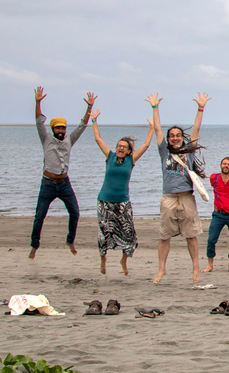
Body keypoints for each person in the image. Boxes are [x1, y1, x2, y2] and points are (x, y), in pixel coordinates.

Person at [150, 92, 210, 284]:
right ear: (168, 139)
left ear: (182, 138)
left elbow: (197, 128)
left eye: (178, 135)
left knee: (191, 236)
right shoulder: (164, 150)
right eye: (172, 136)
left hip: (186, 198)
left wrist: (201, 108)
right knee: (164, 236)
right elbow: (157, 128)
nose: (175, 138)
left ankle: (195, 270)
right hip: (168, 198)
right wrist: (155, 107)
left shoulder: (188, 149)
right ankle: (161, 269)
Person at [31, 86, 94, 259]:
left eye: (63, 128)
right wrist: (37, 102)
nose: (60, 131)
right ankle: (34, 245)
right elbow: (38, 122)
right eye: (57, 128)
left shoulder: (69, 140)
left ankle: (70, 240)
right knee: (39, 216)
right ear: (53, 129)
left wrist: (89, 107)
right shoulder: (46, 139)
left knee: (75, 212)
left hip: (64, 183)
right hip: (48, 184)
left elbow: (82, 126)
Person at [88, 109, 155, 275]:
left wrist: (152, 128)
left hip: (122, 203)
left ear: (128, 151)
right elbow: (98, 139)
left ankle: (124, 261)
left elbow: (146, 145)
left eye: (124, 147)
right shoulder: (109, 157)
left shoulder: (131, 160)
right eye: (118, 146)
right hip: (104, 201)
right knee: (104, 233)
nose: (120, 148)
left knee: (128, 234)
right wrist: (94, 121)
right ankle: (103, 259)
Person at [205, 157, 229, 274]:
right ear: (220, 165)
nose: (226, 166)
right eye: (224, 164)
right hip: (218, 214)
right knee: (211, 239)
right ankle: (210, 265)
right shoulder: (214, 178)